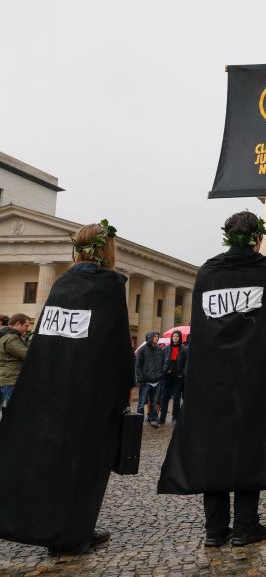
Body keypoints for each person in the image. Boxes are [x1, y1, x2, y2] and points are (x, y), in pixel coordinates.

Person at [158, 211, 266, 548]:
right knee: (251, 446)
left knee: (213, 447)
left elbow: (202, 329)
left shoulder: (208, 272)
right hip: (253, 377)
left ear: (226, 235)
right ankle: (246, 525)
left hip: (211, 379)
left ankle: (215, 529)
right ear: (258, 238)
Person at [0, 221, 134, 554]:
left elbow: (48, 337)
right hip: (90, 393)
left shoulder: (62, 283)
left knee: (52, 461)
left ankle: (51, 526)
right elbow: (116, 344)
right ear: (108, 250)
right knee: (86, 463)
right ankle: (74, 534)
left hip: (51, 386)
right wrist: (124, 388)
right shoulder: (110, 285)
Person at [0, 313, 31, 411]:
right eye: (26, 325)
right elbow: (26, 355)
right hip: (11, 378)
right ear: (18, 323)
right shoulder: (11, 338)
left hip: (4, 377)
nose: (27, 328)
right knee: (15, 410)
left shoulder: (3, 335)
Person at [135, 331, 163, 427]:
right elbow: (138, 366)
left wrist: (160, 375)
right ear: (150, 337)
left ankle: (153, 419)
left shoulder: (160, 350)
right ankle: (138, 421)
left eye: (157, 336)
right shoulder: (142, 350)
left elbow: (163, 363)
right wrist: (141, 378)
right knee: (142, 403)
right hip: (145, 381)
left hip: (157, 381)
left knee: (154, 402)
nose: (156, 338)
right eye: (155, 336)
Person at [158, 330, 186, 425]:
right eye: (174, 336)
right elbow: (161, 362)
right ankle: (162, 418)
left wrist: (182, 374)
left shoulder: (184, 349)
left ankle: (175, 418)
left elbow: (186, 364)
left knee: (176, 398)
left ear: (180, 338)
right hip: (166, 377)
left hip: (178, 378)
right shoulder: (166, 349)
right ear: (172, 337)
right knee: (164, 398)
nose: (175, 337)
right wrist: (163, 371)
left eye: (177, 336)